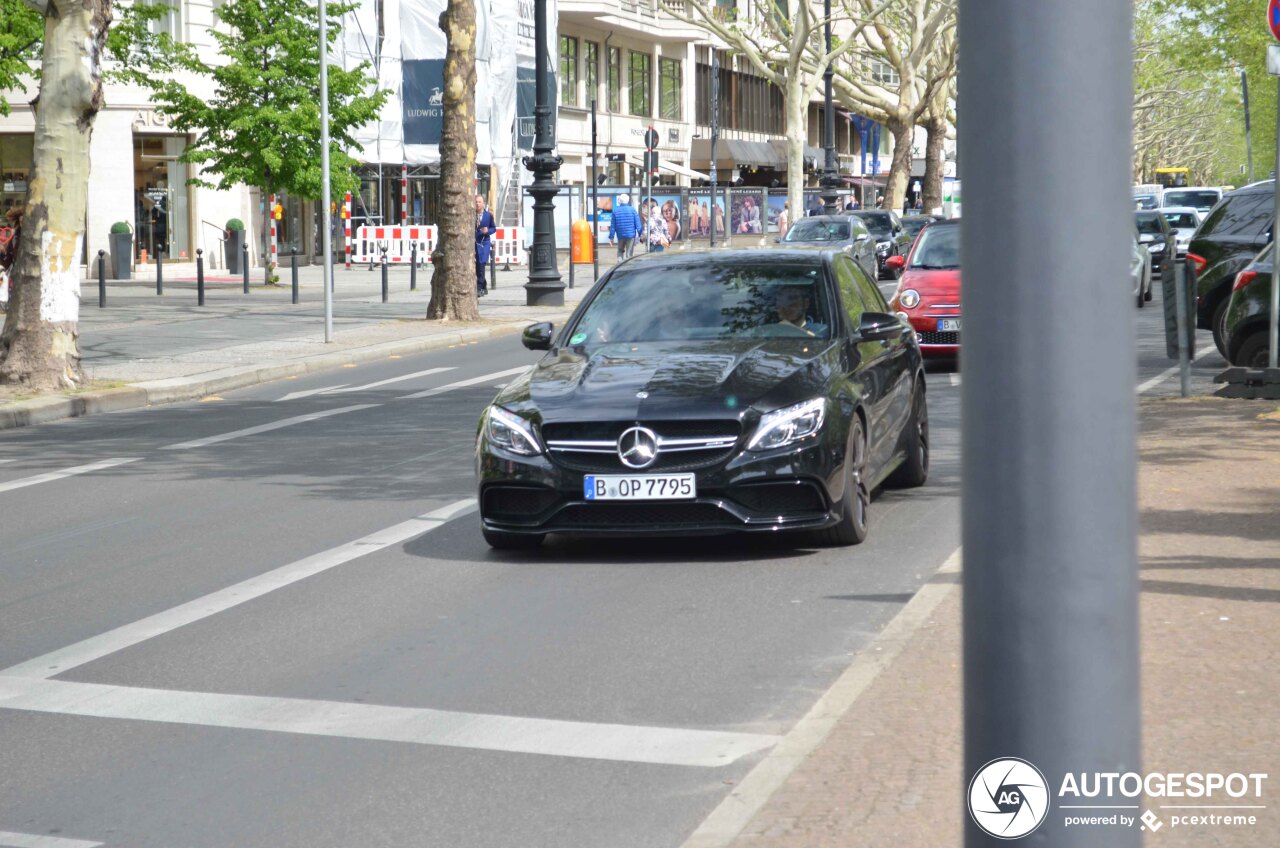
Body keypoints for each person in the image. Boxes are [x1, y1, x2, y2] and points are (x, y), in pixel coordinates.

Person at [607, 193, 641, 259]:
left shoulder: (615, 211)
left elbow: (613, 226)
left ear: (620, 201)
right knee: (629, 254)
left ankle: (619, 266)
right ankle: (629, 267)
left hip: (620, 235)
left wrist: (611, 237)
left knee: (620, 251)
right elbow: (638, 223)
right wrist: (640, 234)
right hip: (631, 235)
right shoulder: (632, 210)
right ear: (628, 201)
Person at [474, 193, 494, 297]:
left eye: (479, 202)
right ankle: (484, 285)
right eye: (476, 202)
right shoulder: (471, 214)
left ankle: (479, 287)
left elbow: (493, 228)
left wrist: (487, 231)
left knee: (481, 264)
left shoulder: (488, 215)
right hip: (474, 242)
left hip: (484, 242)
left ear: (483, 203)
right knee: (477, 266)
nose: (477, 204)